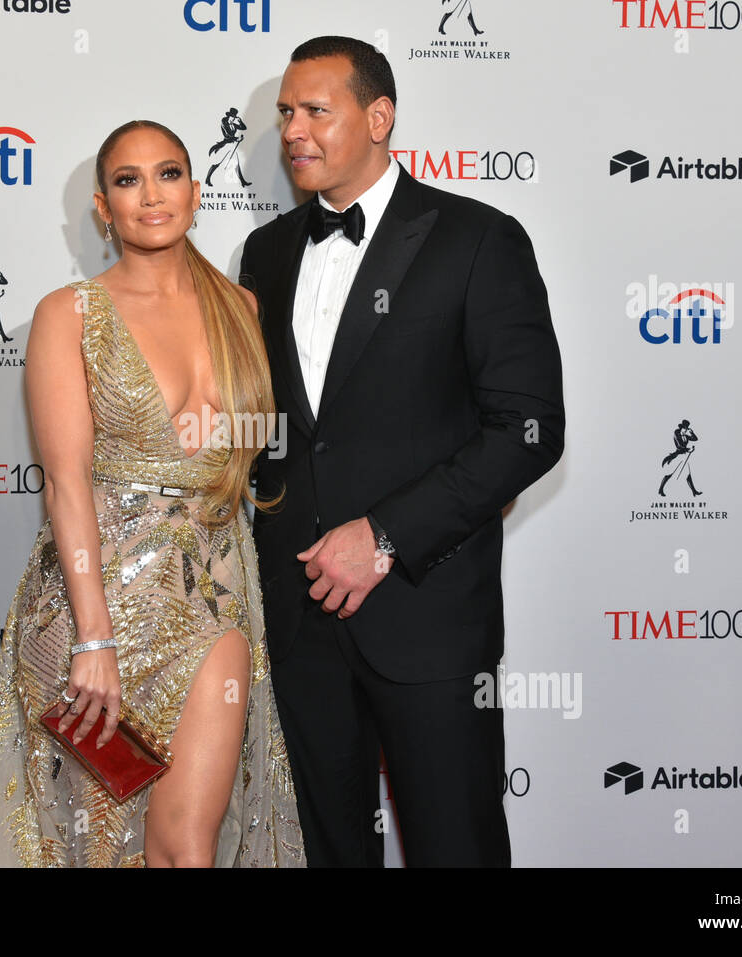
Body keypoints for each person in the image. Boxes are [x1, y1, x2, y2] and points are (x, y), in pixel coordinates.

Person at [239, 36, 564, 866]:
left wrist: (383, 534)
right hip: (298, 619)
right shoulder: (267, 254)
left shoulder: (477, 239)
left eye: (317, 110)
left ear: (379, 117)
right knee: (324, 850)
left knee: (456, 846)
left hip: (427, 617)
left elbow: (528, 428)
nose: (294, 132)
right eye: (285, 114)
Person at [0, 120, 305, 868]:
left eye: (169, 173)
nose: (152, 194)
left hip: (213, 596)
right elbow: (66, 483)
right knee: (94, 843)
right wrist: (94, 638)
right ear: (101, 207)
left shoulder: (242, 310)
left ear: (195, 188)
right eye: (128, 179)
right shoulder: (69, 314)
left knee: (187, 844)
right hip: (96, 600)